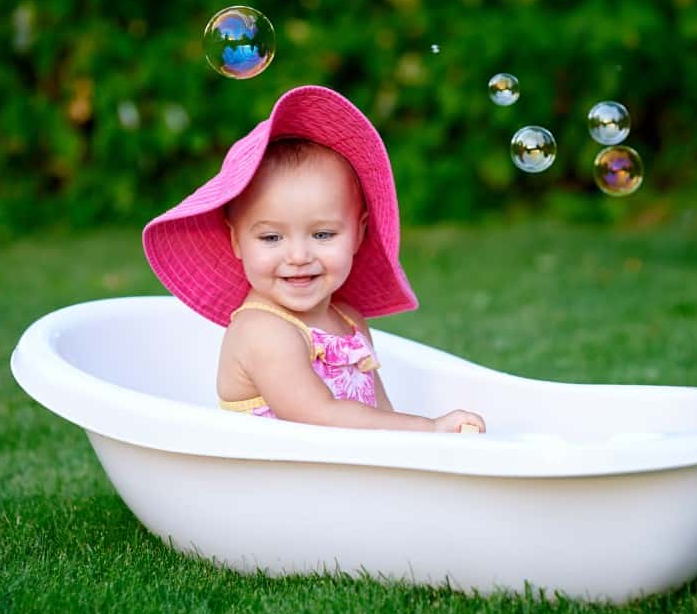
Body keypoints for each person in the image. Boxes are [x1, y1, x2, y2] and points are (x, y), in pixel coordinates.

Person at [143, 85, 485, 433]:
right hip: (277, 481)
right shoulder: (263, 331)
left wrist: (418, 449)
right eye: (271, 237)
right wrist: (427, 428)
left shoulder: (349, 319)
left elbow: (381, 413)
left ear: (358, 233)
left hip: (334, 479)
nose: (298, 256)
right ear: (236, 241)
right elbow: (320, 415)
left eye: (322, 235)